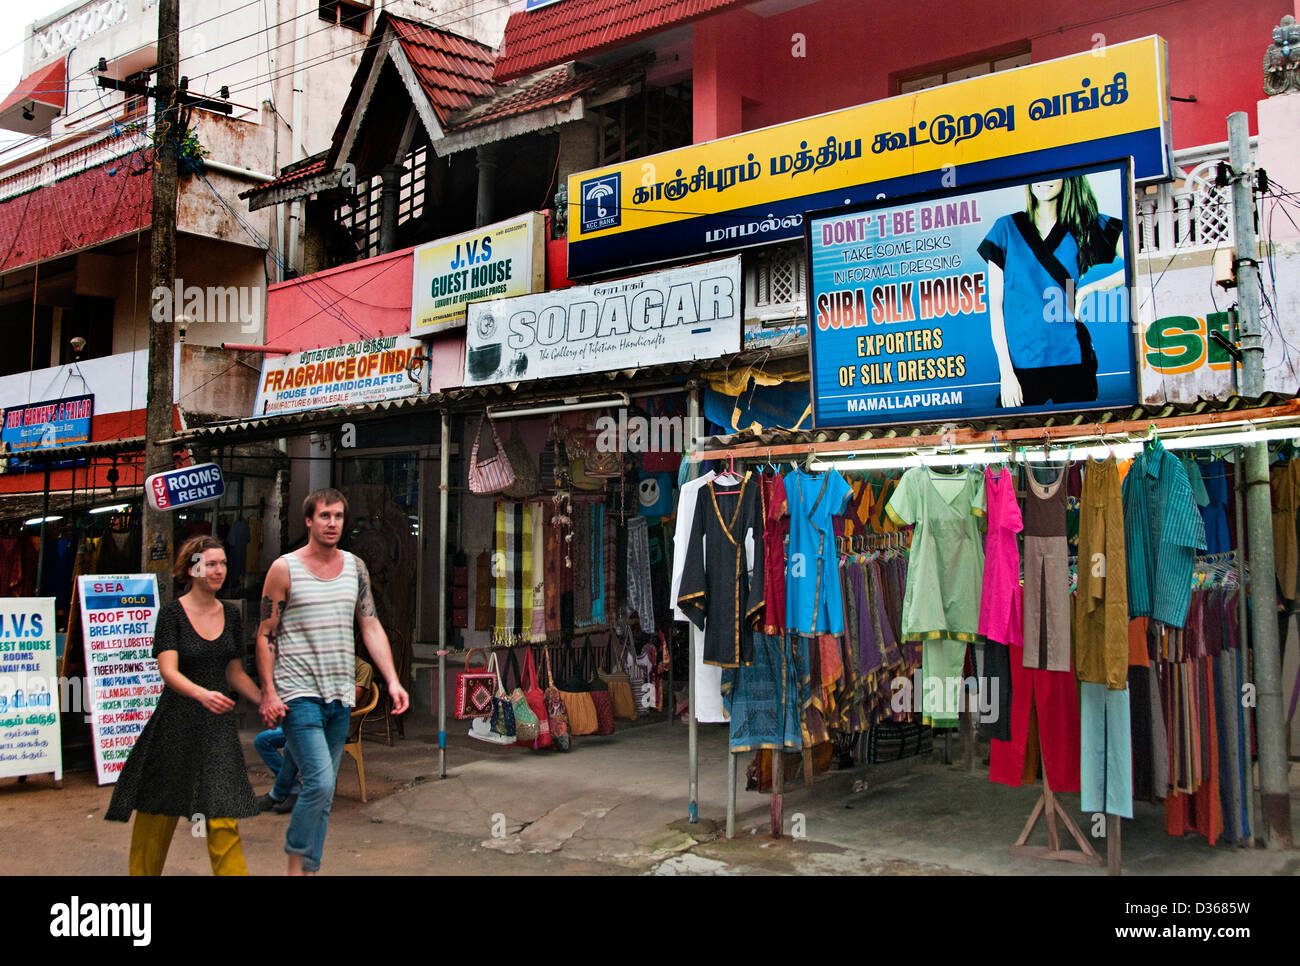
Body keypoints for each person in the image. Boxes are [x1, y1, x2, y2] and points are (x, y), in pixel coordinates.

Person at [257, 487, 409, 876]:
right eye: (325, 516)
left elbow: (370, 624)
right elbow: (266, 632)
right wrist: (270, 692)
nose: (332, 523)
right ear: (309, 520)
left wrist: (392, 680)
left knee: (321, 795)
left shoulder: (356, 568)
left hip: (340, 696)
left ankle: (309, 869)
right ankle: (296, 863)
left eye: (338, 516)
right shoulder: (283, 569)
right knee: (321, 785)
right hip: (298, 694)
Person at [105, 536, 262, 876]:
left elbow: (234, 673)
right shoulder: (172, 614)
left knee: (222, 817)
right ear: (192, 568)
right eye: (211, 564)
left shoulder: (232, 616)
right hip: (175, 724)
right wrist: (202, 694)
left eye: (222, 563)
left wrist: (266, 700)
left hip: (217, 729)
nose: (219, 570)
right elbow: (168, 671)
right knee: (157, 813)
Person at [978, 175, 1126, 408]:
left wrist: (1090, 288)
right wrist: (1006, 373)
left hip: (1073, 360)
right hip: (1022, 365)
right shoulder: (1005, 228)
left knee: (1081, 436)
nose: (1043, 181)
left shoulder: (1083, 226)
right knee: (1014, 439)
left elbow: (1140, 259)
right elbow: (995, 307)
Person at [253, 656, 374, 814]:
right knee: (262, 740)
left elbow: (348, 703)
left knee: (292, 745)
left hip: (335, 724)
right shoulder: (320, 660)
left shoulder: (362, 668)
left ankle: (278, 794)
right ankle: (294, 788)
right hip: (306, 719)